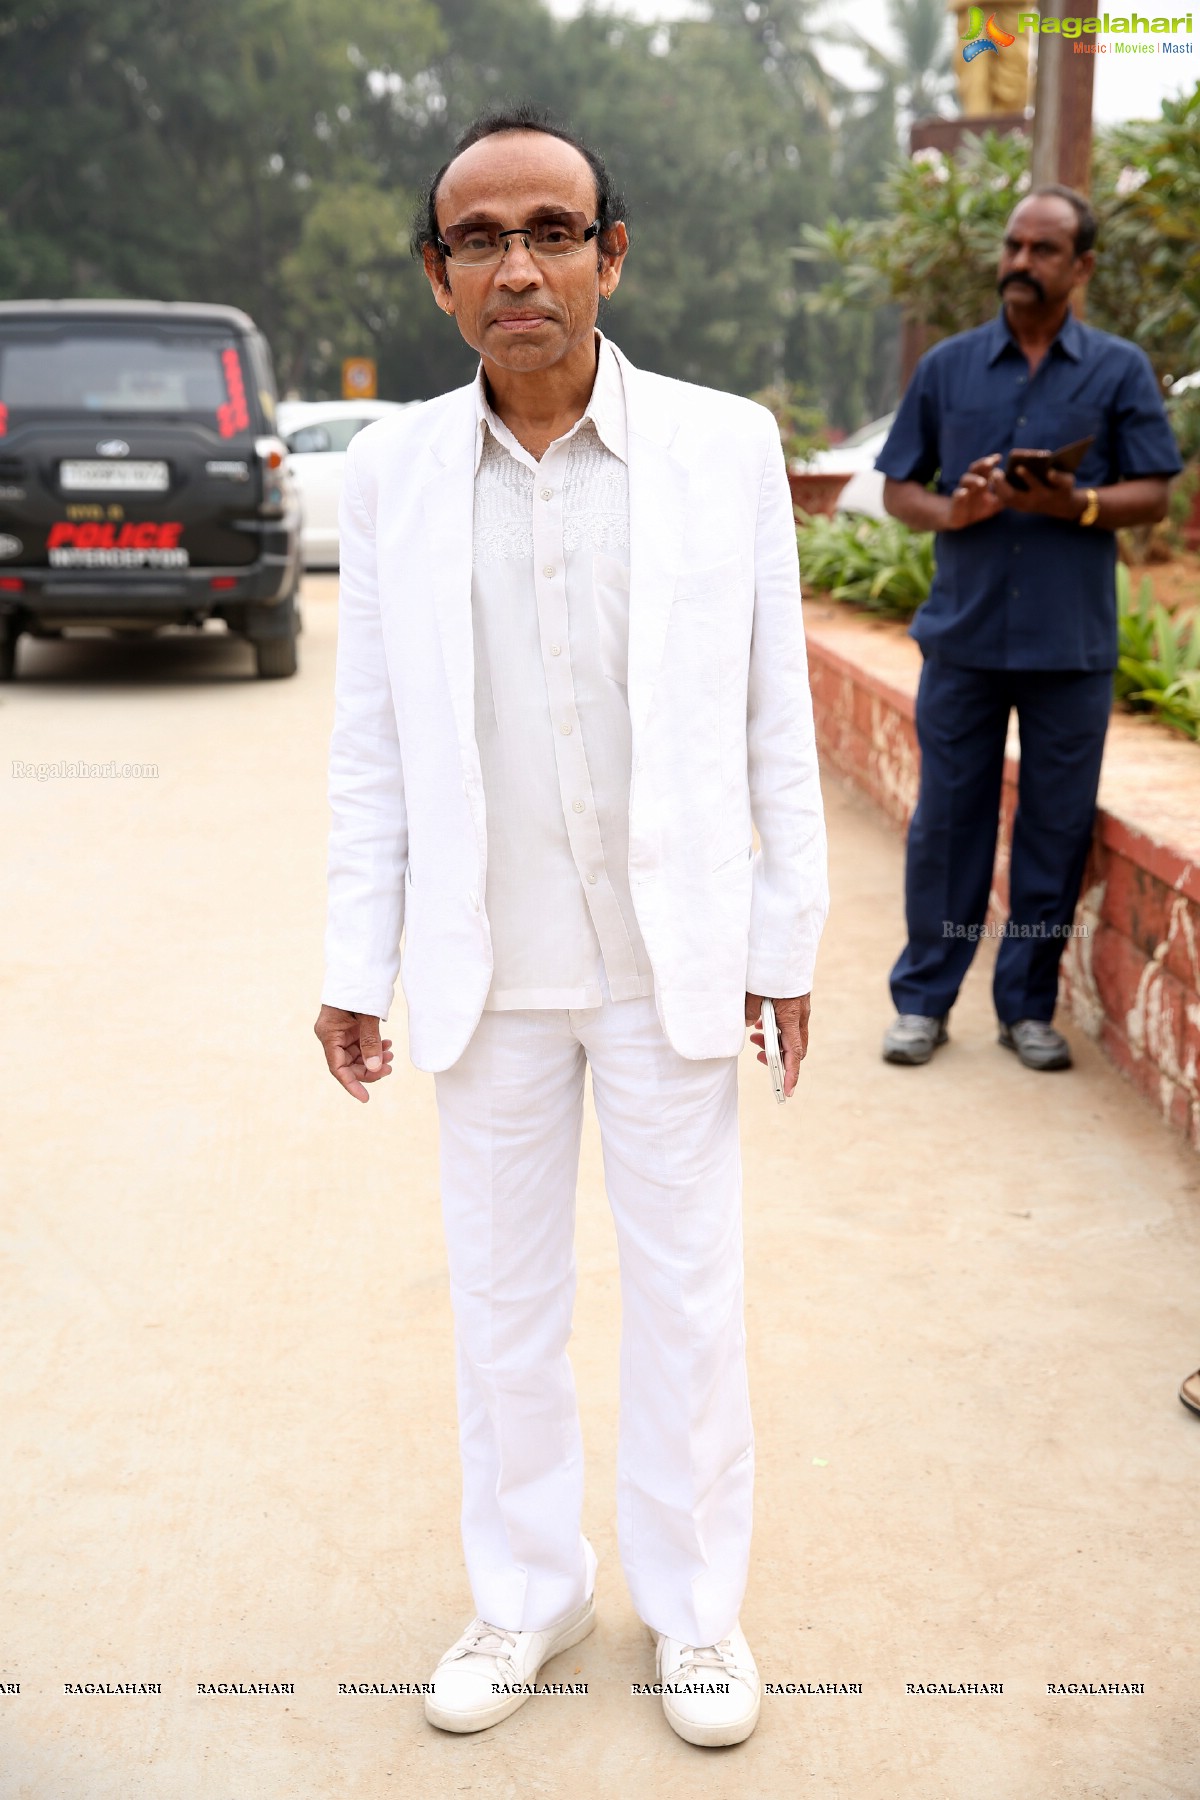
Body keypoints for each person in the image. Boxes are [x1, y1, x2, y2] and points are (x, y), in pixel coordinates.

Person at [312, 106, 829, 1748]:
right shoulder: (391, 475)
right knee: (503, 1309)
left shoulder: (722, 447)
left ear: (612, 254)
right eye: (479, 237)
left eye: (552, 229)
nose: (517, 264)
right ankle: (529, 1593)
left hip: (670, 964)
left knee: (688, 1302)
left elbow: (774, 728)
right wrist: (353, 962)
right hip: (492, 973)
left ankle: (695, 1617)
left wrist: (784, 941)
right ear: (437, 278)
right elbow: (373, 751)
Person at [875, 184, 1181, 1071]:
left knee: (1053, 828)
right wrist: (954, 513)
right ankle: (924, 1000)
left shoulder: (1118, 370)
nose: (1019, 263)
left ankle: (1027, 1007)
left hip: (1068, 649)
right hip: (964, 641)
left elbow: (1154, 488)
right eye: (1013, 246)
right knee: (948, 826)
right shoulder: (948, 367)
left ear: (1081, 267)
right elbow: (902, 488)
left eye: (1043, 250)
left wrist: (1077, 503)